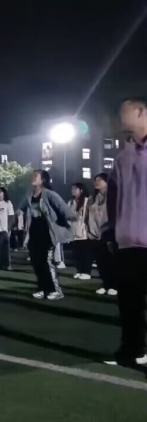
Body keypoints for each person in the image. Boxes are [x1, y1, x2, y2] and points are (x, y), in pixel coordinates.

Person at [104, 98, 147, 366]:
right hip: (127, 240)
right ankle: (133, 350)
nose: (120, 117)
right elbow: (113, 195)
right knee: (129, 301)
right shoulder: (123, 156)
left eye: (125, 112)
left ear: (141, 112)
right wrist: (112, 230)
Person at [24, 170, 75, 301]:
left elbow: (64, 209)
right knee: (36, 261)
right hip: (34, 230)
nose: (33, 177)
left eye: (36, 176)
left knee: (45, 260)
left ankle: (55, 290)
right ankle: (42, 288)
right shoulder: (30, 195)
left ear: (43, 180)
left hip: (46, 231)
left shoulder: (49, 194)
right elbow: (22, 208)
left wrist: (71, 218)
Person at [88, 173, 116, 296]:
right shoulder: (94, 198)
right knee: (101, 261)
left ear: (107, 182)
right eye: (96, 180)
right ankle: (106, 284)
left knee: (111, 260)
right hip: (96, 233)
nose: (97, 182)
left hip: (110, 231)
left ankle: (114, 285)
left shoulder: (113, 196)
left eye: (100, 180)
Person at [69, 182, 93, 280]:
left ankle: (86, 272)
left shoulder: (87, 201)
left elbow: (90, 216)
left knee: (85, 253)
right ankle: (79, 271)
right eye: (72, 189)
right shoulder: (71, 202)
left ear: (81, 190)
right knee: (76, 253)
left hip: (84, 231)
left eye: (75, 189)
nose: (73, 191)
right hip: (74, 231)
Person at [0, 187, 15, 271]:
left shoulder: (8, 203)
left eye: (0, 191)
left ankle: (7, 265)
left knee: (5, 248)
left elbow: (11, 216)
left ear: (4, 193)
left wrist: (9, 228)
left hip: (4, 229)